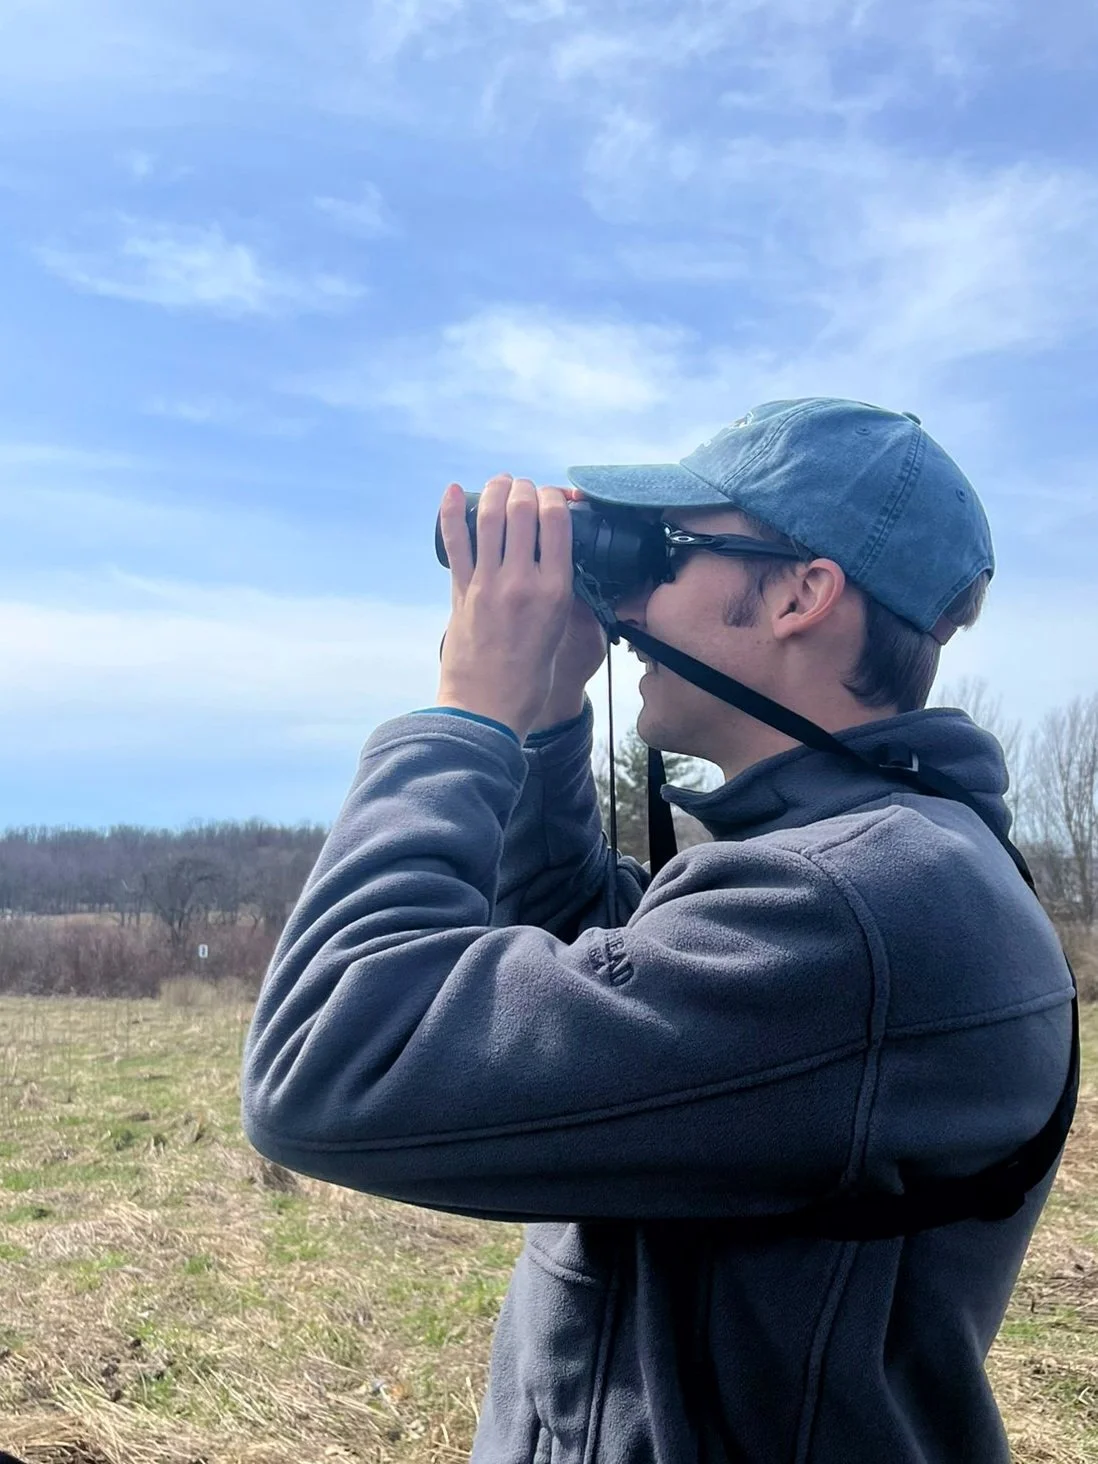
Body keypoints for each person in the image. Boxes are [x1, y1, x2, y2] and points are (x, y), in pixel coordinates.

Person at [241, 398, 1075, 1463]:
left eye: (665, 551)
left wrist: (466, 714)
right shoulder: (868, 863)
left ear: (802, 594)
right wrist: (545, 719)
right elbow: (578, 979)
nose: (626, 589)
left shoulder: (863, 907)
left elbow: (327, 1063)